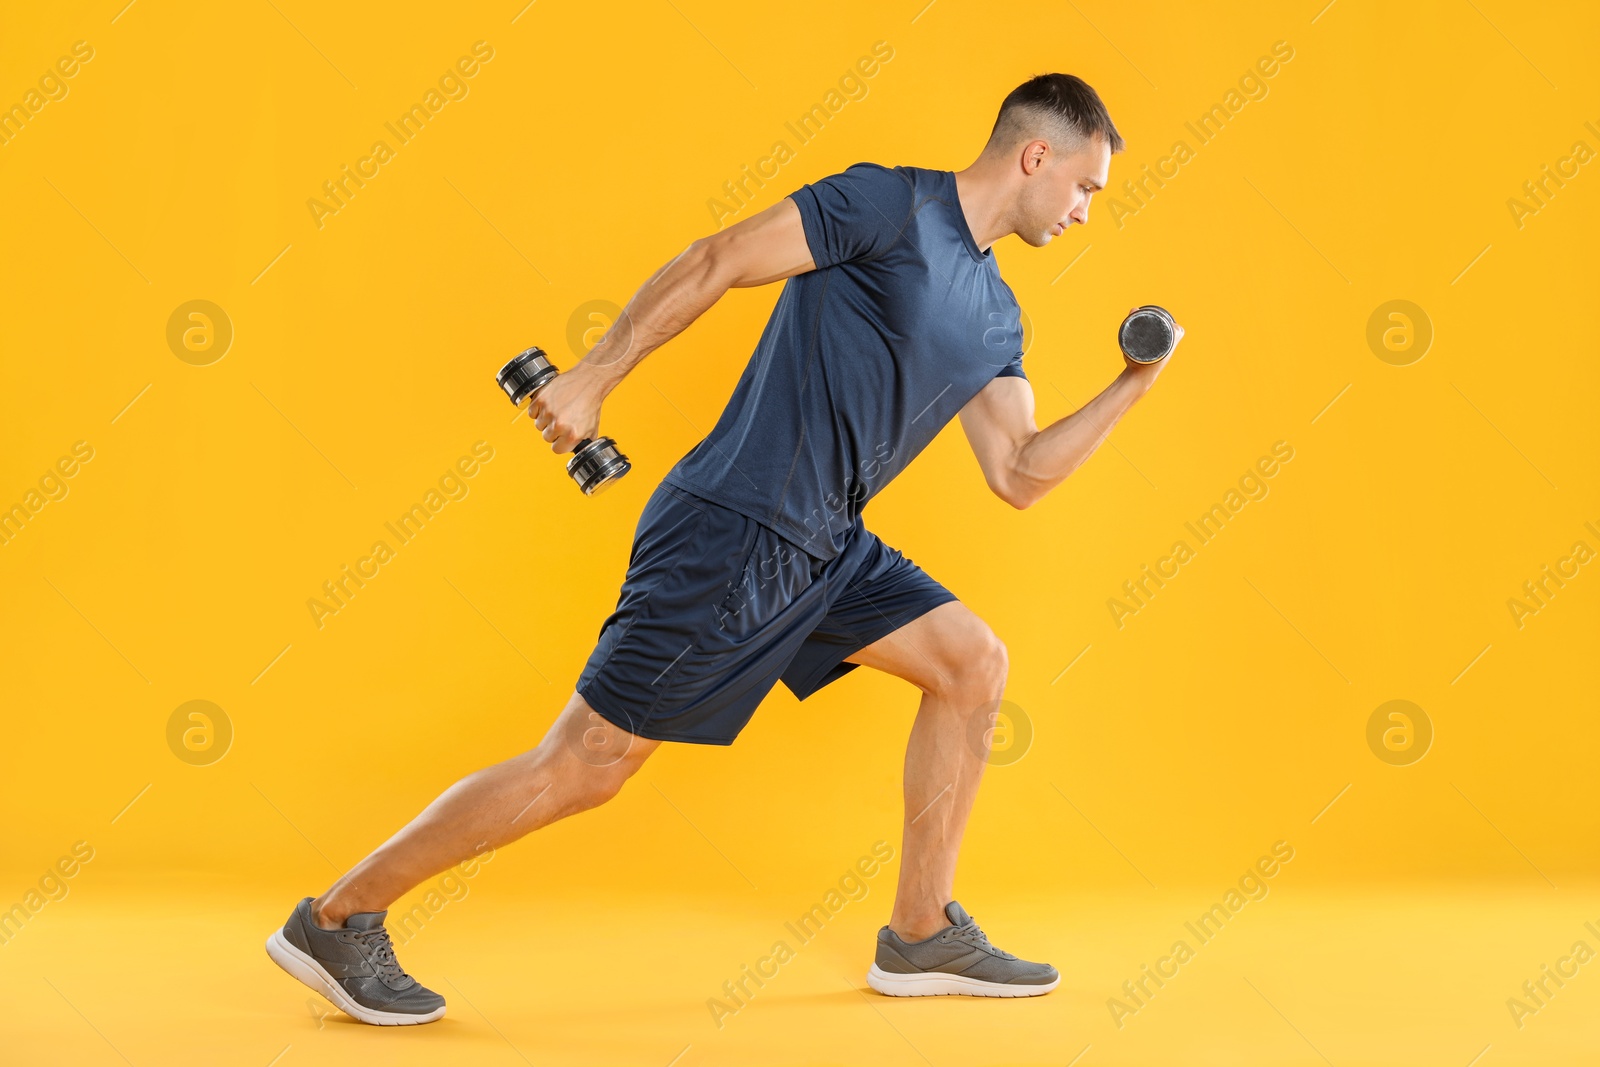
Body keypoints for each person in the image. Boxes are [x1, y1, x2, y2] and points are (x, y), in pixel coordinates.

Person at [265, 71, 1183, 1024]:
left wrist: (1134, 382)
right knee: (586, 764)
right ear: (1037, 155)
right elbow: (721, 258)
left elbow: (1021, 471)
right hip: (738, 526)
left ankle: (921, 931)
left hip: (829, 544)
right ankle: (339, 914)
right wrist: (591, 379)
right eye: (1085, 187)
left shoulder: (997, 314)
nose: (1084, 211)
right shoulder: (890, 202)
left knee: (970, 664)